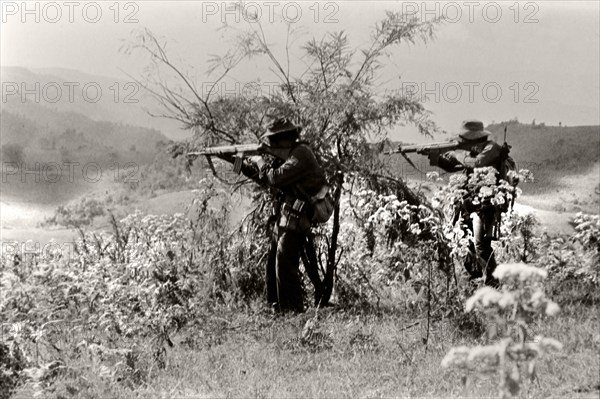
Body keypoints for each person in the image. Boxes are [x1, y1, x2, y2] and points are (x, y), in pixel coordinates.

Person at [218, 118, 327, 312]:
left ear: (284, 139)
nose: (272, 145)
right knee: (272, 266)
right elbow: (262, 179)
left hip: (297, 217)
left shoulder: (301, 153)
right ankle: (276, 310)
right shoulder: (287, 156)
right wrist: (234, 160)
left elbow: (274, 178)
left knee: (285, 266)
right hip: (285, 216)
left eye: (275, 141)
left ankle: (293, 313)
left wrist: (260, 161)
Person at [429, 120, 504, 287]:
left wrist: (456, 153)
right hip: (469, 202)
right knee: (466, 242)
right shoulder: (471, 152)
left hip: (485, 204)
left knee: (481, 245)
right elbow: (454, 166)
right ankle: (476, 279)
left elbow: (477, 163)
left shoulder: (492, 148)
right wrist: (437, 158)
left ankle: (493, 284)